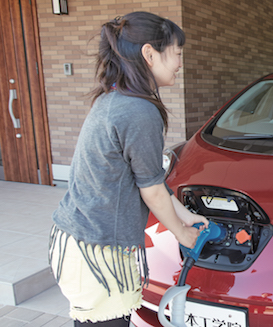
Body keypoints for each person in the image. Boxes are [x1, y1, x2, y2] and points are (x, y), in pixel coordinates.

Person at [48, 12, 209, 326]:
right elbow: (151, 192)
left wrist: (188, 216)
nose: (180, 62)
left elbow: (150, 181)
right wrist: (183, 234)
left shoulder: (116, 98)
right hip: (96, 252)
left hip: (81, 241)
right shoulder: (139, 111)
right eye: (177, 54)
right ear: (150, 54)